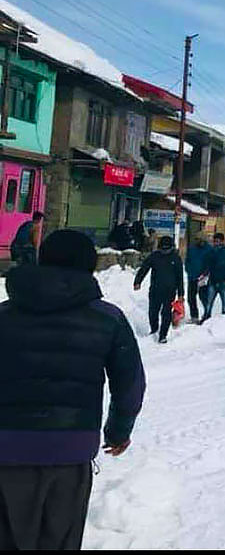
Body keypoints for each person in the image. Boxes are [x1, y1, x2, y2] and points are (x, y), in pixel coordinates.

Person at [0, 229, 145, 550]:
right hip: (70, 451)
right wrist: (119, 431)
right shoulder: (108, 319)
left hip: (6, 449)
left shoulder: (4, 316)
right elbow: (130, 383)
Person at [133, 236, 184, 344]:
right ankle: (154, 330)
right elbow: (144, 269)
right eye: (163, 248)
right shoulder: (154, 256)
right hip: (155, 289)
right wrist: (138, 281)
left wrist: (181, 293)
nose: (165, 251)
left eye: (167, 248)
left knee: (166, 313)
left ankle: (163, 335)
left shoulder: (175, 258)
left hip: (170, 291)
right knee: (153, 312)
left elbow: (180, 277)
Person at [201, 232, 225, 323]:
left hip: (223, 282)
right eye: (215, 241)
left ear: (222, 241)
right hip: (212, 281)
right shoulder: (211, 253)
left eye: (218, 241)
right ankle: (206, 317)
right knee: (209, 301)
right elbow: (207, 266)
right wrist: (204, 275)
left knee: (224, 302)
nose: (216, 243)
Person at [184, 234, 211, 323]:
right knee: (191, 298)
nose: (198, 241)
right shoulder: (192, 249)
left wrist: (205, 273)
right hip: (192, 277)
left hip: (203, 278)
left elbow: (210, 263)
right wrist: (188, 270)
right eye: (197, 239)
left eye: (199, 239)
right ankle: (194, 316)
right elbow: (187, 260)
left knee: (203, 297)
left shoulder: (209, 249)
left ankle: (207, 315)